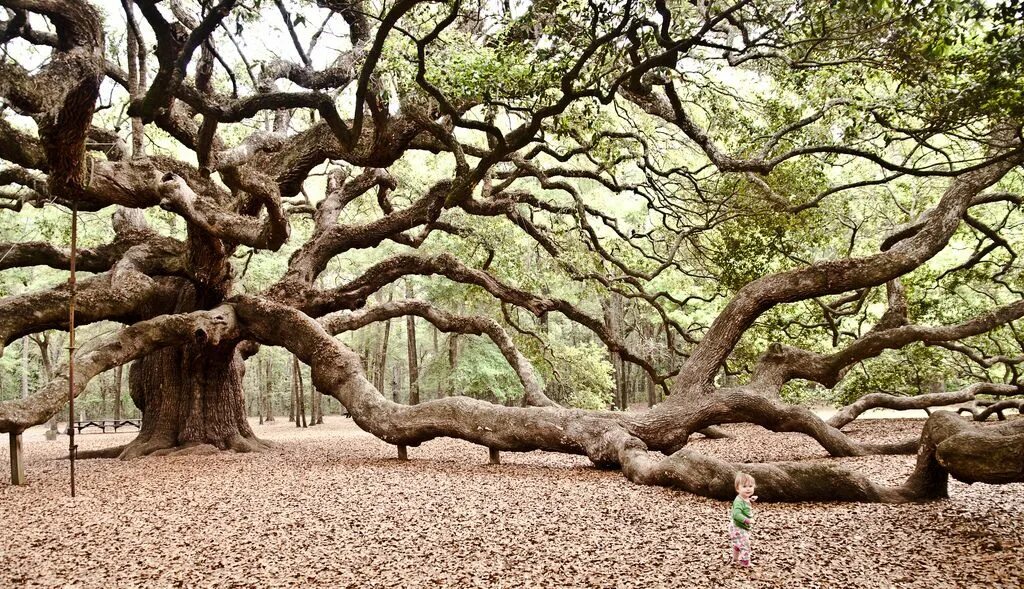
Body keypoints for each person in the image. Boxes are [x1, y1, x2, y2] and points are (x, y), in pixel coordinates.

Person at [728, 471, 757, 567]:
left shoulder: (744, 497)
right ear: (737, 488)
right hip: (738, 526)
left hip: (739, 526)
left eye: (750, 486)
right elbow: (736, 514)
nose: (748, 489)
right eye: (744, 486)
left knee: (738, 542)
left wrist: (751, 499)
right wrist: (747, 520)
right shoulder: (738, 501)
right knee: (745, 544)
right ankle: (745, 562)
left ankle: (735, 558)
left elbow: (745, 504)